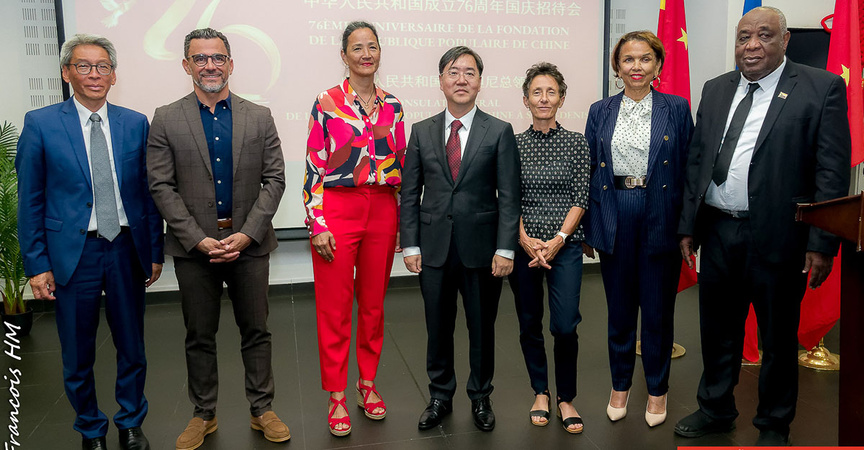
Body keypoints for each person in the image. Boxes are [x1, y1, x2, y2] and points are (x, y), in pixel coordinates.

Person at [674, 7, 850, 446]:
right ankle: (716, 409)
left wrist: (822, 241)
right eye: (743, 37)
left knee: (776, 338)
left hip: (779, 235)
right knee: (717, 331)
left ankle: (773, 424)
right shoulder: (716, 89)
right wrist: (687, 226)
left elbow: (831, 170)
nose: (751, 45)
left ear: (785, 40)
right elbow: (698, 161)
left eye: (764, 35)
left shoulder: (821, 88)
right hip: (717, 231)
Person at [16, 33, 164, 450]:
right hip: (72, 254)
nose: (94, 74)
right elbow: (30, 200)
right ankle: (90, 429)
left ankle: (131, 421)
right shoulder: (40, 123)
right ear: (67, 72)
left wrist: (153, 251)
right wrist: (37, 264)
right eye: (83, 65)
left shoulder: (135, 123)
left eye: (102, 66)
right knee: (77, 353)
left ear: (114, 75)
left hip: (124, 249)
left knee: (132, 345)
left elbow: (147, 194)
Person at [146, 28, 289, 449]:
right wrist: (196, 239)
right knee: (198, 335)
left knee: (257, 332)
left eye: (218, 57)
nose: (211, 65)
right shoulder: (166, 117)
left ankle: (262, 408)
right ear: (187, 65)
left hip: (250, 246)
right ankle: (203, 414)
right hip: (196, 252)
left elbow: (275, 179)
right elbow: (161, 186)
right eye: (201, 58)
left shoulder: (258, 116)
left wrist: (247, 234)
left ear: (231, 63)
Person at [401, 46, 521, 432]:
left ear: (480, 82)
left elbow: (509, 195)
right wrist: (411, 243)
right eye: (454, 72)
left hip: (483, 250)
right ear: (440, 81)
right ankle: (439, 394)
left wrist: (505, 248)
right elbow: (409, 192)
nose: (461, 79)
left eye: (470, 72)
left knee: (482, 327)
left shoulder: (498, 130)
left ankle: (481, 395)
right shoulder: (420, 131)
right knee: (437, 325)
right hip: (433, 248)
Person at [583, 30, 693, 428]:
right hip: (615, 212)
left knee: (659, 311)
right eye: (628, 60)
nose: (636, 66)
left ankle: (658, 389)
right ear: (617, 66)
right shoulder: (600, 110)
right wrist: (590, 228)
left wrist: (687, 228)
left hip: (659, 213)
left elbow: (687, 171)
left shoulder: (677, 108)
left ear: (658, 65)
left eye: (645, 59)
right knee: (620, 310)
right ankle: (620, 385)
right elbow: (591, 172)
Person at [303, 21, 405, 437]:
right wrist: (317, 222)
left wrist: (399, 221)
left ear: (380, 53)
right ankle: (337, 396)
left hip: (382, 209)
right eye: (357, 48)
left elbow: (397, 166)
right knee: (335, 307)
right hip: (337, 209)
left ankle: (367, 384)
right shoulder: (325, 102)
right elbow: (314, 165)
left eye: (373, 47)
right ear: (344, 56)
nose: (366, 54)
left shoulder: (393, 105)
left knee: (374, 305)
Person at [508, 62, 589, 434]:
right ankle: (540, 391)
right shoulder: (513, 144)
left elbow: (581, 198)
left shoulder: (576, 143)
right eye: (536, 92)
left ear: (561, 97)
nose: (544, 98)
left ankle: (566, 397)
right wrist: (524, 239)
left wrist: (558, 239)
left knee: (565, 324)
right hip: (525, 248)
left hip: (565, 248)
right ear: (526, 100)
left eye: (551, 91)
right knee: (529, 324)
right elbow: (508, 198)